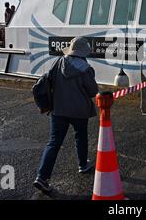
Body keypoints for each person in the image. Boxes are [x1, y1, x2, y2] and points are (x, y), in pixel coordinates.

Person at [33, 36, 99, 194]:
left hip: (58, 110)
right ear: (83, 52)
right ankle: (82, 165)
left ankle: (42, 177)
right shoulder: (86, 68)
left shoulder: (58, 62)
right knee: (81, 137)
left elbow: (47, 81)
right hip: (79, 111)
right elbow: (93, 91)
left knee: (54, 143)